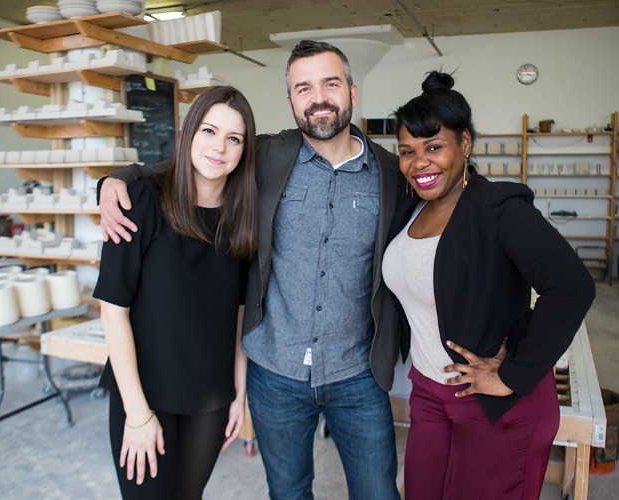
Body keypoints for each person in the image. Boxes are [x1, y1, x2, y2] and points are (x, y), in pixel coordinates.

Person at [97, 40, 406, 499]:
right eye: (304, 88)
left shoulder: (389, 172)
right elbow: (196, 163)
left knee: (379, 493)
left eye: (330, 84)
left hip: (354, 371)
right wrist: (117, 179)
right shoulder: (269, 155)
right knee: (287, 492)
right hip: (274, 371)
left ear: (352, 92)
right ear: (291, 101)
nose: (318, 97)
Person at [381, 71, 596, 499]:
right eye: (407, 151)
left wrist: (513, 375)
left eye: (434, 147)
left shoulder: (497, 207)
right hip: (428, 392)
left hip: (493, 403)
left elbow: (572, 286)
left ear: (465, 143)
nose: (419, 162)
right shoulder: (409, 210)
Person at [94, 86, 257, 499]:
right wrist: (136, 414)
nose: (219, 147)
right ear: (188, 134)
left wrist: (239, 395)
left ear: (243, 150)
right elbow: (113, 311)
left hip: (211, 395)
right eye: (208, 131)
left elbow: (237, 314)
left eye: (233, 138)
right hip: (147, 394)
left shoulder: (241, 220)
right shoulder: (141, 201)